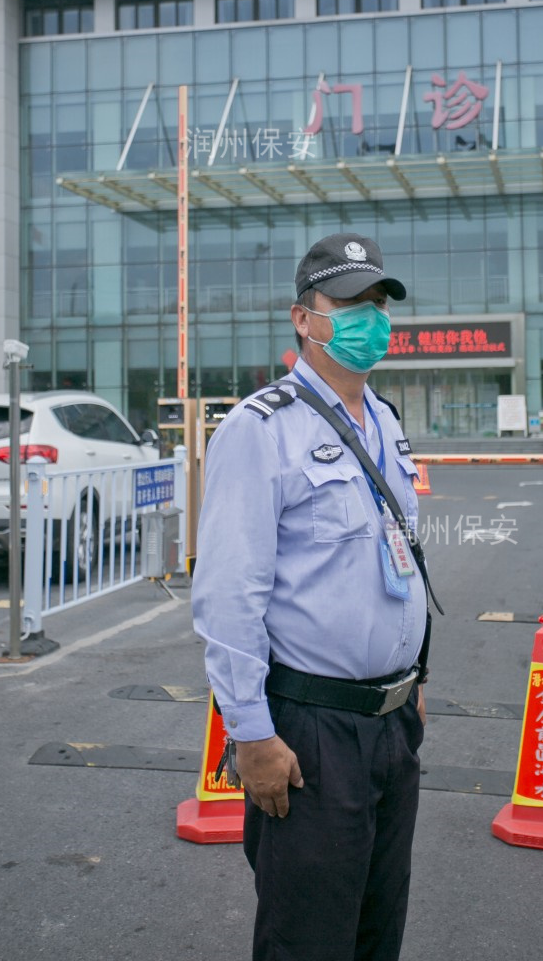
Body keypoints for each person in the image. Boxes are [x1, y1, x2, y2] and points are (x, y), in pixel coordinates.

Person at [192, 232, 435, 961]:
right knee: (309, 940)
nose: (372, 319)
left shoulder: (384, 420)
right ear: (304, 318)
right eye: (352, 303)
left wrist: (414, 678)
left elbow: (399, 560)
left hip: (392, 724)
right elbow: (229, 595)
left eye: (380, 303)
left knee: (377, 931)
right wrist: (251, 734)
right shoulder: (260, 429)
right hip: (309, 732)